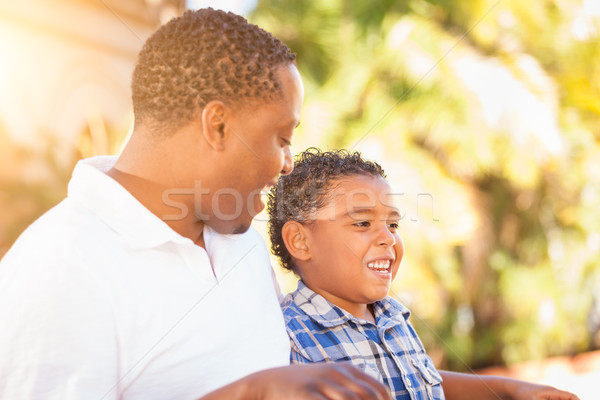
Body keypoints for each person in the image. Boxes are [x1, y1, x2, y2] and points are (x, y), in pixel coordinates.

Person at [0, 8, 392, 400]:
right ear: (218, 125)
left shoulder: (244, 246)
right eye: (282, 139)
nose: (288, 164)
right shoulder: (60, 266)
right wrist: (246, 394)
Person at [267, 148, 581, 400]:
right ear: (300, 241)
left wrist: (512, 390)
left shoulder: (392, 316)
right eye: (362, 223)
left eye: (392, 225)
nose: (388, 238)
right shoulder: (288, 337)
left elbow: (425, 378)